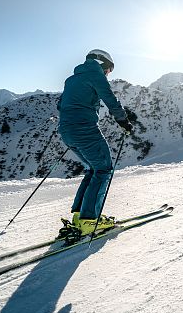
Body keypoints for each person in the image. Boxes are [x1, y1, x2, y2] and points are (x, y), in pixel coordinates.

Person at [57, 49, 133, 236]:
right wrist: (123, 121)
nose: (108, 74)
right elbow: (110, 99)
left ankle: (79, 216)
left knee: (93, 169)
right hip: (84, 129)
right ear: (103, 65)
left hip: (66, 130)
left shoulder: (71, 79)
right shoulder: (96, 75)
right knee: (104, 169)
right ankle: (90, 220)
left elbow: (61, 104)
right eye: (109, 70)